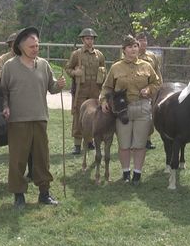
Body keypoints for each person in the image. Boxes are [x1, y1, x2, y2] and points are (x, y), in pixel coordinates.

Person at [0, 27, 66, 208]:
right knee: (18, 159)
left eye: (37, 45)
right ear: (21, 47)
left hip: (40, 118)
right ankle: (19, 195)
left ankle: (44, 193)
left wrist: (59, 85)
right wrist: (5, 107)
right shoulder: (10, 66)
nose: (35, 49)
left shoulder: (44, 65)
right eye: (31, 46)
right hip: (18, 121)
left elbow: (52, 88)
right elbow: (3, 91)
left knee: (42, 158)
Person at [100, 35, 161, 185]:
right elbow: (107, 87)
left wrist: (149, 89)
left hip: (142, 108)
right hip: (123, 110)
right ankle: (126, 173)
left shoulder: (146, 66)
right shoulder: (116, 67)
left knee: (140, 145)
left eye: (135, 46)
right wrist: (102, 100)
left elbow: (157, 82)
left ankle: (137, 175)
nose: (134, 49)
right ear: (124, 50)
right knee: (124, 144)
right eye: (130, 47)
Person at [65, 28, 106, 155]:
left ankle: (90, 141)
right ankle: (77, 144)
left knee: (94, 114)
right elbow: (68, 68)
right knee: (79, 115)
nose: (90, 41)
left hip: (95, 88)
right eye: (87, 38)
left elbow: (103, 69)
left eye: (92, 38)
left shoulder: (99, 55)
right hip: (81, 89)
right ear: (82, 40)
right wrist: (74, 72)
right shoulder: (76, 54)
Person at [135, 32, 162, 150]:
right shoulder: (131, 56)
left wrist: (160, 87)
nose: (143, 43)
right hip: (135, 91)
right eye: (140, 40)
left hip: (150, 90)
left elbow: (157, 73)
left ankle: (148, 140)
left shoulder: (152, 56)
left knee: (149, 116)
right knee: (135, 115)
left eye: (145, 40)